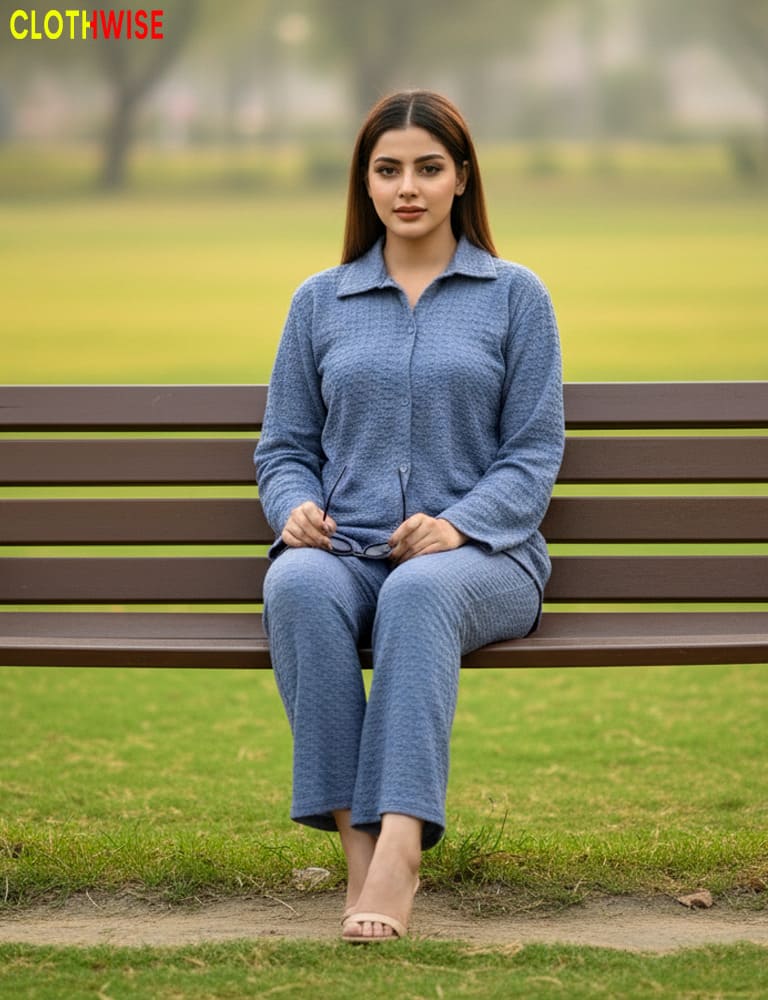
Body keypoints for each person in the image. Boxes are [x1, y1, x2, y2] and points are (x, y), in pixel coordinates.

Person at [254, 89, 564, 943]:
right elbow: (282, 446)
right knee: (299, 588)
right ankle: (357, 841)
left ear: (462, 178)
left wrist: (458, 525)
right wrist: (295, 508)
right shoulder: (321, 301)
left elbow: (534, 453)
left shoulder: (515, 296)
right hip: (347, 548)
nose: (408, 187)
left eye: (429, 168)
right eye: (388, 170)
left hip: (485, 560)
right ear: (366, 182)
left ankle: (400, 849)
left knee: (417, 592)